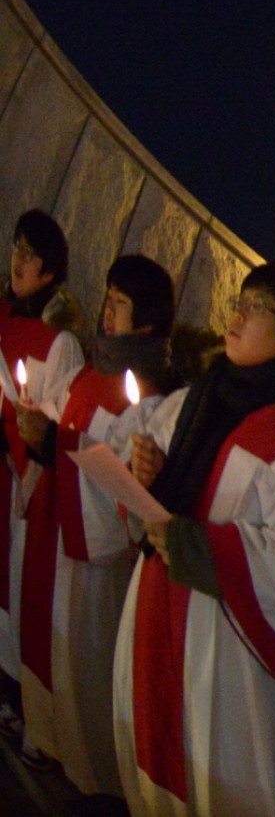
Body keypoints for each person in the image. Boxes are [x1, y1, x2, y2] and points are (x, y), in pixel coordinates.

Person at [114, 263, 275, 816]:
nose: (238, 314)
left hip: (226, 649)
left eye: (258, 307)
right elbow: (152, 507)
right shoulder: (192, 402)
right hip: (155, 603)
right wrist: (142, 475)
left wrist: (196, 548)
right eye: (239, 301)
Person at [14, 254, 176, 793]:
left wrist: (59, 448)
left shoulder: (153, 397)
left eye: (121, 304)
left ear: (148, 320)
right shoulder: (86, 372)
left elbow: (136, 489)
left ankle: (95, 774)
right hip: (54, 530)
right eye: (107, 299)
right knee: (51, 647)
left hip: (99, 558)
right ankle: (49, 739)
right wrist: (37, 432)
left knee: (87, 662)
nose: (107, 313)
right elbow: (57, 432)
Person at [0, 209, 85, 746]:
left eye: (31, 254)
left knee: (25, 596)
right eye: (15, 247)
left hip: (27, 483)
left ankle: (28, 709)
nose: (18, 260)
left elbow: (55, 422)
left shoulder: (61, 344)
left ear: (51, 272)